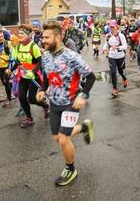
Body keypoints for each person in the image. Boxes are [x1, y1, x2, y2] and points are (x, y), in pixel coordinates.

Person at [36, 21, 96, 186]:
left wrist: (83, 95)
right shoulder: (45, 56)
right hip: (55, 103)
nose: (43, 40)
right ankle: (84, 127)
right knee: (57, 137)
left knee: (63, 139)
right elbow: (48, 77)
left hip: (71, 102)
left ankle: (71, 169)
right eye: (43, 37)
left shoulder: (72, 56)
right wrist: (43, 89)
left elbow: (90, 77)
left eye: (47, 37)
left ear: (58, 36)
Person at [6, 24, 49, 128]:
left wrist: (32, 72)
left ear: (28, 35)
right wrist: (10, 70)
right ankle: (29, 118)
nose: (20, 35)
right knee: (21, 97)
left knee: (32, 99)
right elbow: (18, 62)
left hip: (34, 76)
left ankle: (45, 106)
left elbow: (40, 62)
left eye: (22, 33)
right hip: (23, 77)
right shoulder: (18, 47)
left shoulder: (33, 46)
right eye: (19, 33)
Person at [103, 20, 129, 96]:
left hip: (120, 56)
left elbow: (125, 46)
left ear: (116, 26)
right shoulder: (108, 35)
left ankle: (125, 79)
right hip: (111, 56)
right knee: (113, 72)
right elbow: (106, 44)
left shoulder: (121, 35)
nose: (111, 28)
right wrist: (104, 49)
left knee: (121, 72)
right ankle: (115, 88)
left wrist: (117, 47)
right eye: (110, 27)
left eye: (113, 27)